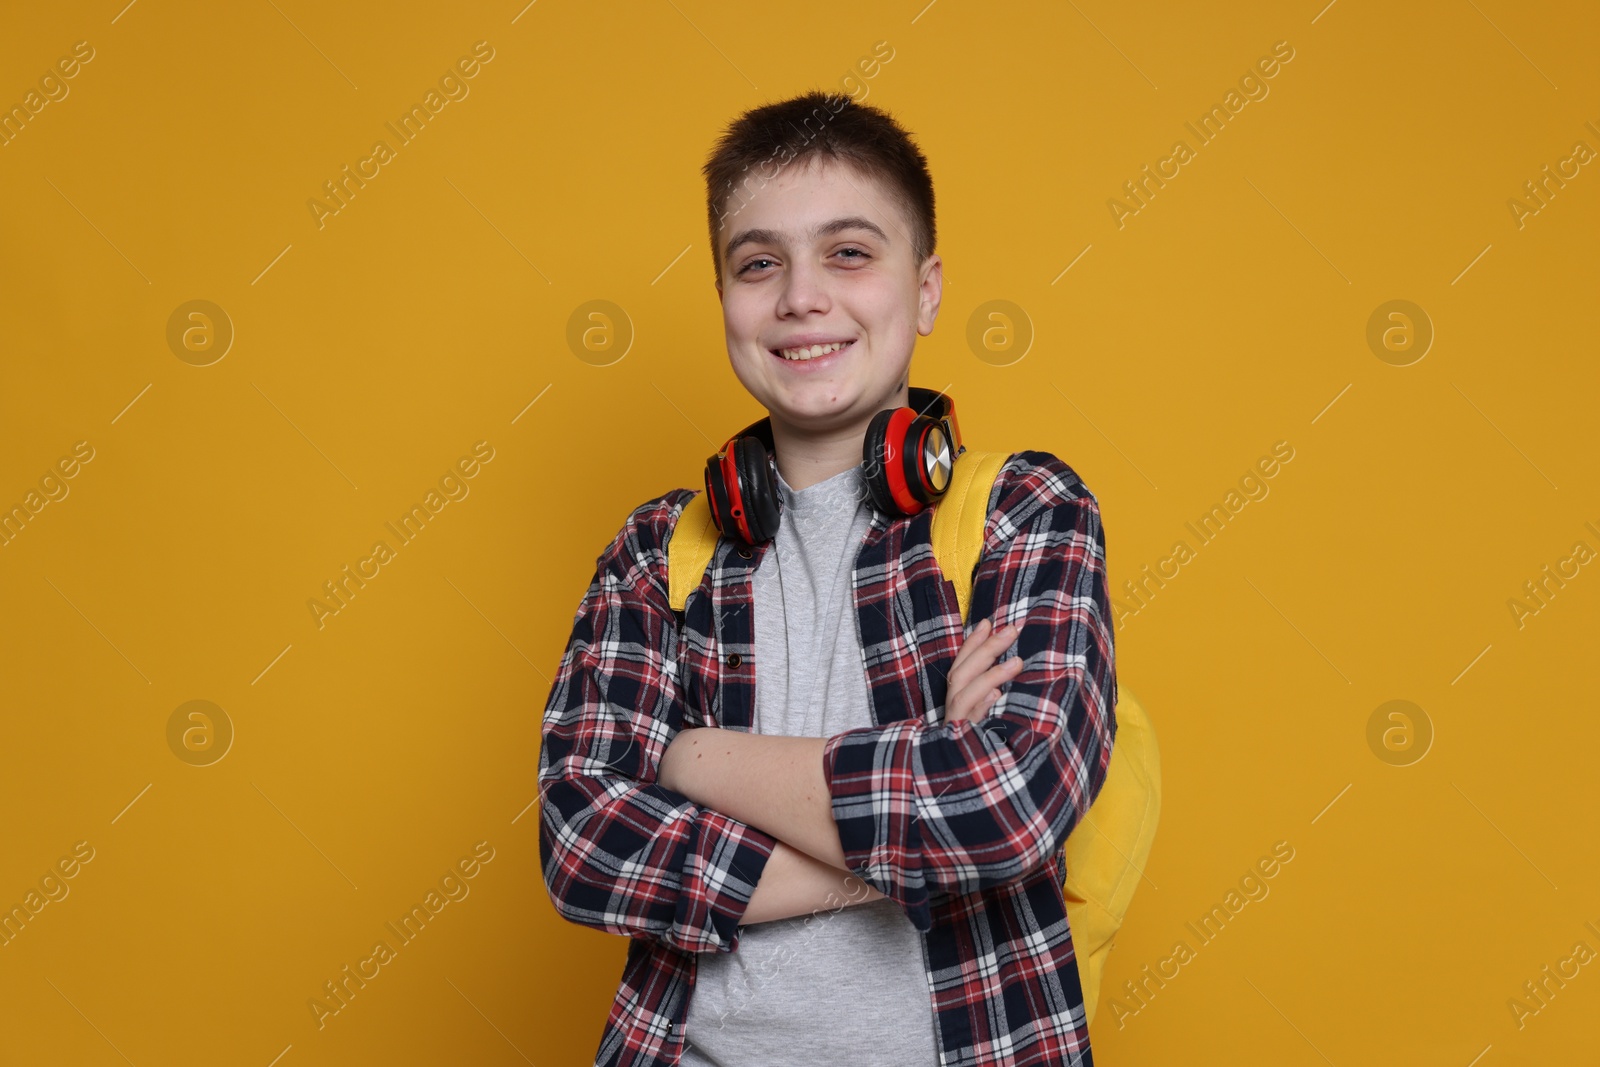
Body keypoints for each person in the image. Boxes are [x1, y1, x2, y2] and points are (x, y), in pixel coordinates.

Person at [538, 89, 1118, 1067]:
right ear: (723, 294)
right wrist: (921, 781)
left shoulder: (1024, 508)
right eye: (758, 262)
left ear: (926, 288)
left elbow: (1004, 804)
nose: (801, 295)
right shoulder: (654, 553)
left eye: (848, 252)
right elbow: (585, 848)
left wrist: (690, 756)